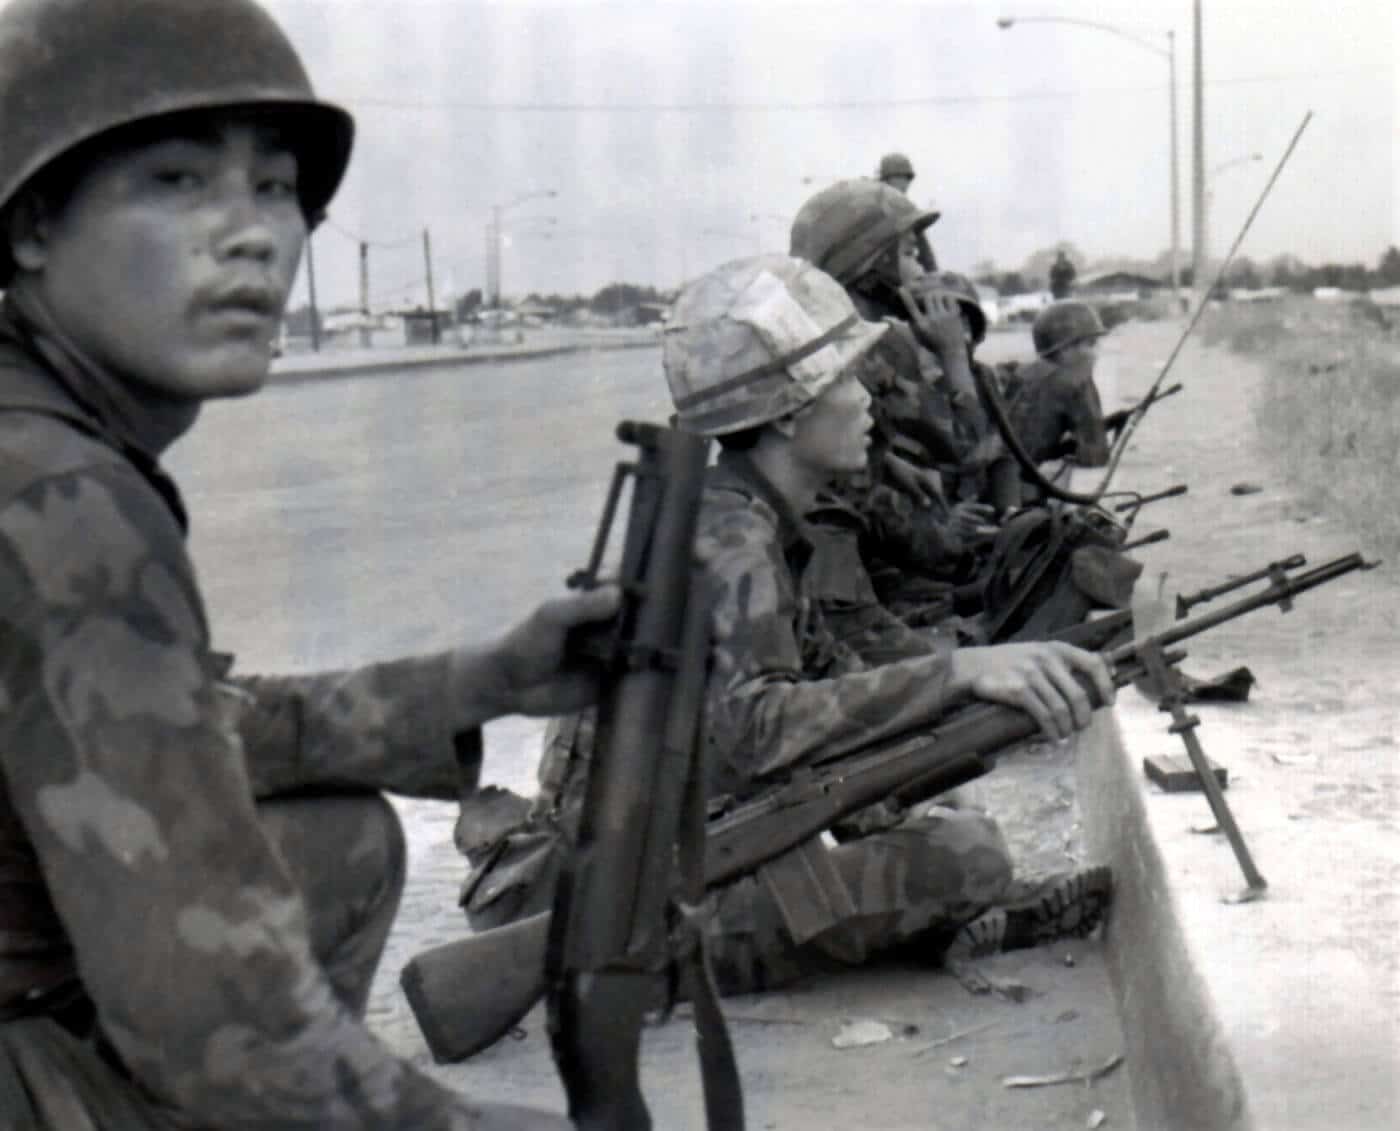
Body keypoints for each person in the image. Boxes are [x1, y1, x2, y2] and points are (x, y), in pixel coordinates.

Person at [0, 1, 608, 1127]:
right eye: (177, 180)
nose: (251, 235)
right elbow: (209, 1023)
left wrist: (484, 679)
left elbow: (184, 728)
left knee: (338, 839)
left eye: (274, 188)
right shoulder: (58, 493)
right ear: (34, 223)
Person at [460, 255, 1115, 1003]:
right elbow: (762, 726)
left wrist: (925, 756)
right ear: (785, 413)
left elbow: (822, 682)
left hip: (664, 838)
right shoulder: (729, 538)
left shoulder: (747, 516)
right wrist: (960, 675)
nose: (868, 398)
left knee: (934, 831)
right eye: (844, 379)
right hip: (612, 882)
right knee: (966, 860)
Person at [1006, 300, 1121, 506]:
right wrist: (1096, 426)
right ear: (1066, 348)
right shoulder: (1075, 382)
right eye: (1090, 344)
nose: (1096, 353)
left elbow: (1027, 437)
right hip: (1025, 498)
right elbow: (1094, 458)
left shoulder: (1023, 373)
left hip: (995, 485)